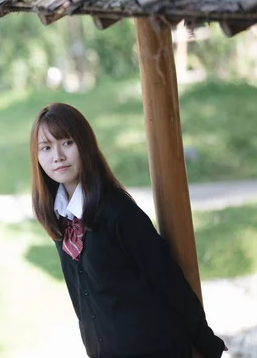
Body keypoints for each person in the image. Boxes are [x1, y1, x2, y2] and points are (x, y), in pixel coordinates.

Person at [29, 102, 227, 358]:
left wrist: (206, 341)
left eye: (67, 142)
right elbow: (82, 300)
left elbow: (169, 279)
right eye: (46, 147)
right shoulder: (60, 218)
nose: (57, 156)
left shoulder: (117, 211)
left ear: (85, 145)